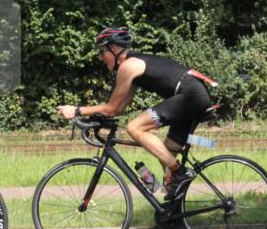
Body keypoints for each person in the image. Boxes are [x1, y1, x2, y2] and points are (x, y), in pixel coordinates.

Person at [56, 26, 214, 195]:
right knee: (166, 152)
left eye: (102, 52)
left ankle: (180, 172)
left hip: (190, 95)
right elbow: (117, 110)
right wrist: (95, 117)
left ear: (115, 49)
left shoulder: (128, 66)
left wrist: (77, 110)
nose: (101, 58)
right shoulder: (133, 67)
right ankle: (173, 215)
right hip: (192, 95)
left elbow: (110, 108)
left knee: (134, 127)